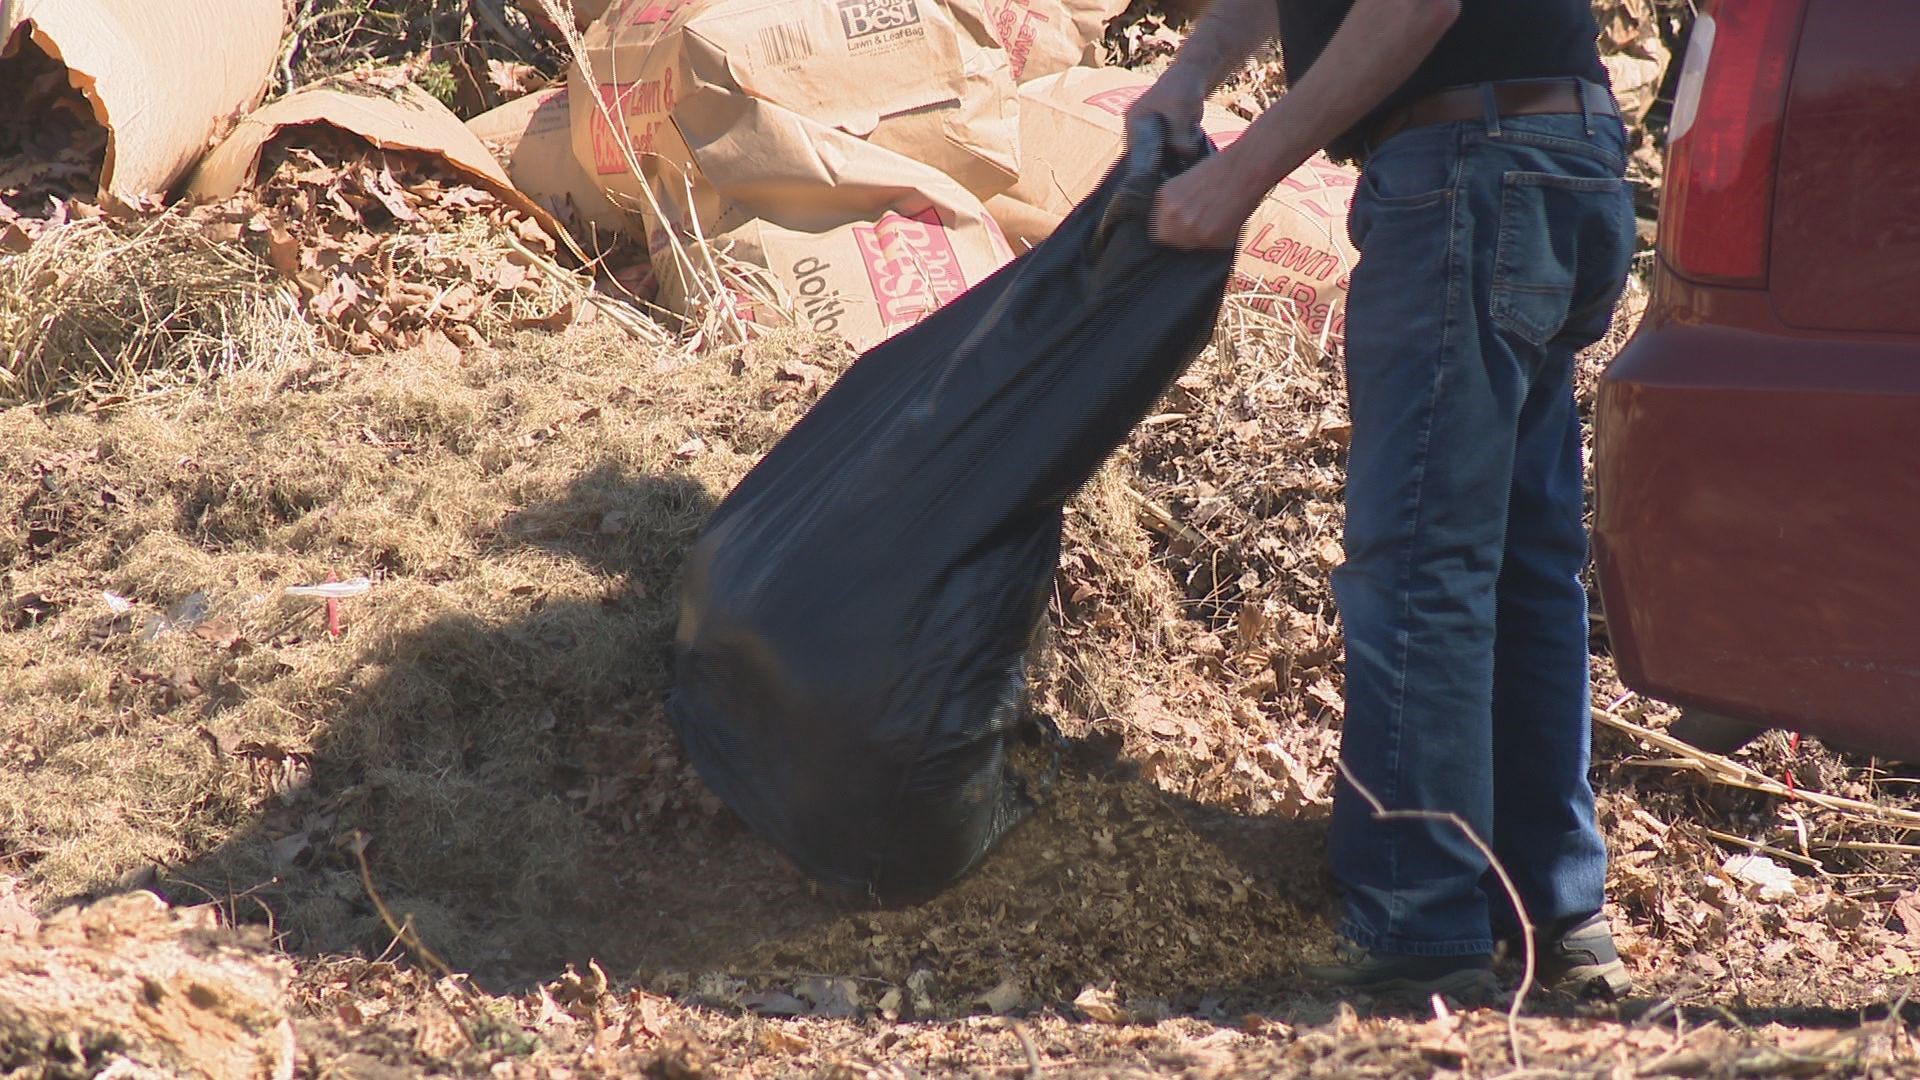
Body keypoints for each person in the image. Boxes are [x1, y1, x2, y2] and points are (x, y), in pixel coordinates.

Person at [1130, 0, 1637, 999]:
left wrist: (1237, 176)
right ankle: (1552, 912)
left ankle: (1419, 923)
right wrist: (1190, 74)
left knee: (1422, 561)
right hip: (1557, 156)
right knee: (1522, 564)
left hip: (1468, 172)